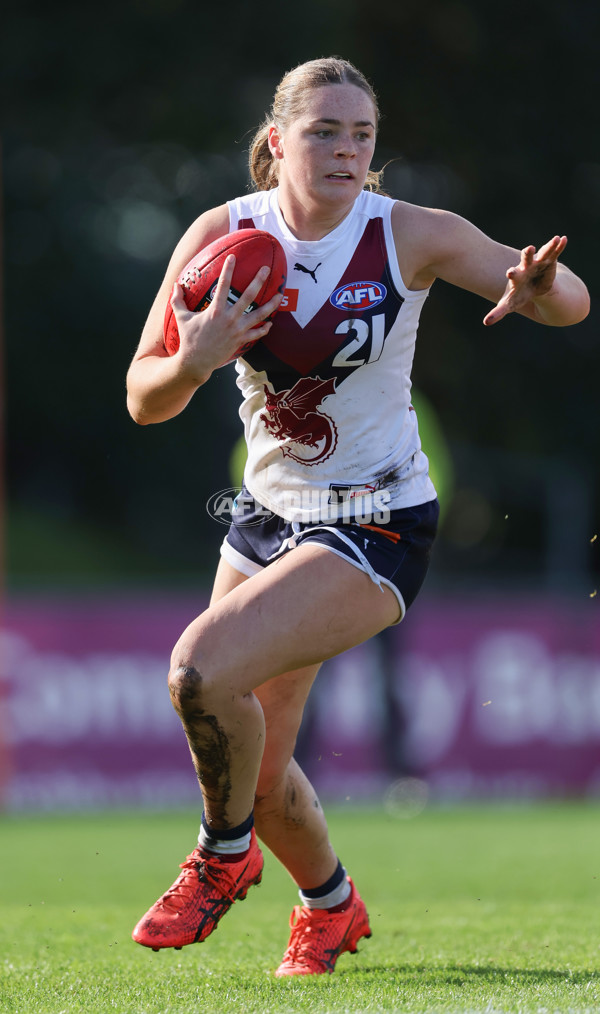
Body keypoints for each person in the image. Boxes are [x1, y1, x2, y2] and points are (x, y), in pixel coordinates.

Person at [125, 57, 589, 976]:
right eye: (325, 131)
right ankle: (330, 905)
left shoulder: (408, 232)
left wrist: (541, 292)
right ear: (276, 142)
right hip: (266, 517)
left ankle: (221, 859)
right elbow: (144, 396)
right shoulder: (223, 233)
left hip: (377, 521)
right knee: (256, 772)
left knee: (195, 672)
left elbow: (569, 300)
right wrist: (195, 358)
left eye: (363, 134)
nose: (347, 151)